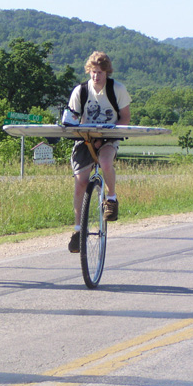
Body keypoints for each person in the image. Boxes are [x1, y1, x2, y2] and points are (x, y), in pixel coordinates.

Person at [67, 51, 131, 253]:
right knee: (80, 182)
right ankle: (78, 230)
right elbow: (71, 118)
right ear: (89, 71)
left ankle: (111, 199)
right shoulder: (81, 91)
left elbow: (125, 118)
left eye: (100, 73)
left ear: (107, 73)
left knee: (105, 163)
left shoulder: (117, 89)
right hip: (85, 137)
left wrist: (106, 136)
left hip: (109, 136)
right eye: (93, 72)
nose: (96, 76)